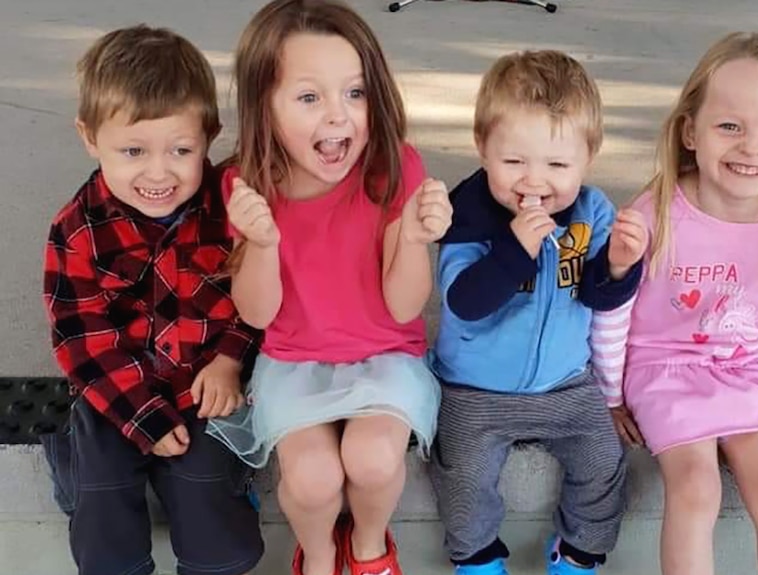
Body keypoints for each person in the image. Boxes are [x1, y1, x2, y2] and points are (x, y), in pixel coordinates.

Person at [204, 2, 453, 575]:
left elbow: (404, 305)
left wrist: (414, 238)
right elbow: (259, 313)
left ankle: (368, 546)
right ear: (264, 104)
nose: (339, 117)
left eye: (356, 93)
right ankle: (317, 553)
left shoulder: (394, 167)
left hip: (386, 356)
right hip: (296, 359)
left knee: (371, 458)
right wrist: (262, 243)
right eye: (309, 97)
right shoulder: (246, 183)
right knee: (313, 478)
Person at [591, 31, 758, 575]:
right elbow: (612, 310)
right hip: (662, 365)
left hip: (748, 362)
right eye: (730, 126)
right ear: (690, 131)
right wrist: (610, 394)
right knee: (697, 488)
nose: (753, 147)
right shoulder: (656, 212)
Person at [41, 25, 264, 575]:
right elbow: (82, 339)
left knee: (204, 484)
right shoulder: (78, 230)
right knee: (101, 487)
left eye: (181, 150)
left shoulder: (231, 207)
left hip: (206, 380)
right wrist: (143, 417)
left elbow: (258, 295)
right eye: (133, 150)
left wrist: (231, 359)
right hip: (116, 387)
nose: (159, 172)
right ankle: (77, 474)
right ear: (89, 137)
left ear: (209, 135)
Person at [428, 50, 648, 575]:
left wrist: (619, 268)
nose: (534, 182)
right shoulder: (469, 213)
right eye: (514, 162)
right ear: (482, 148)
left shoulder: (592, 211)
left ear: (588, 158)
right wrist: (512, 250)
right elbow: (464, 302)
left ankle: (577, 554)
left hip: (564, 386)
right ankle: (477, 558)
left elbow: (596, 297)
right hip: (475, 389)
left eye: (556, 165)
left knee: (603, 463)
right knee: (462, 475)